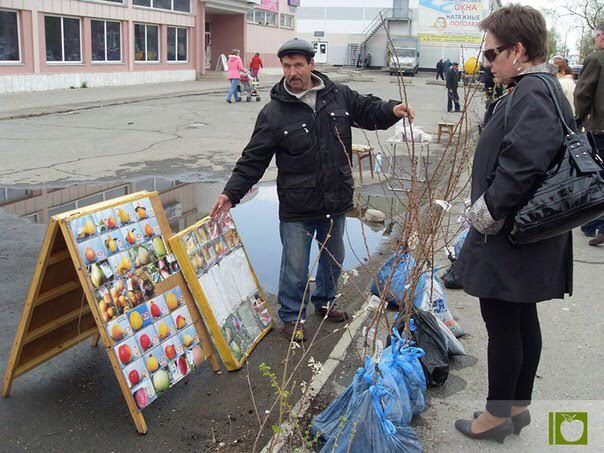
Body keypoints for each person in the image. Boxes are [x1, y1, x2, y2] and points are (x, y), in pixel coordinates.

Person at [209, 38, 414, 342]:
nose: (292, 71)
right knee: (295, 265)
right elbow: (253, 159)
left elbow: (368, 110)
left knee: (333, 258)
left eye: (298, 65)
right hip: (297, 206)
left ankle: (326, 301)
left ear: (311, 65)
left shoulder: (338, 96)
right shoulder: (274, 113)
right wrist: (231, 193)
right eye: (287, 65)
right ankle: (292, 315)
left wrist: (391, 110)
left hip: (335, 198)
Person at [457, 5, 574, 443]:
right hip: (525, 231)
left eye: (491, 54)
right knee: (521, 316)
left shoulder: (533, 92)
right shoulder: (534, 88)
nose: (486, 63)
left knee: (502, 321)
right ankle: (516, 406)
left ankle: (495, 417)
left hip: (513, 231)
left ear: (518, 50)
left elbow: (522, 164)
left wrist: (486, 214)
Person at [574, 23, 604, 246]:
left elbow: (583, 93)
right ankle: (593, 224)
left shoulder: (596, 59)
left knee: (597, 177)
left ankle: (595, 223)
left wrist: (575, 121)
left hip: (600, 128)